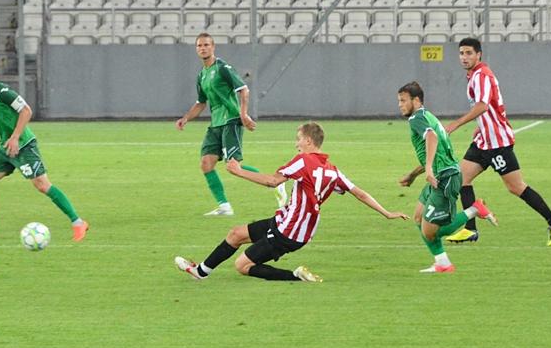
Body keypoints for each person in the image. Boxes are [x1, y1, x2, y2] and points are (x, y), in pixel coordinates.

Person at [175, 122, 408, 282]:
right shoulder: (332, 170)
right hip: (291, 225)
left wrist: (238, 171)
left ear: (308, 141)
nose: (296, 144)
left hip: (287, 232)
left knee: (242, 266)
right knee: (236, 234)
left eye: (298, 139)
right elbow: (360, 193)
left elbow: (272, 182)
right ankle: (201, 271)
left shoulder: (303, 161)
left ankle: (295, 277)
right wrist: (386, 212)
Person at [444, 38, 551, 246]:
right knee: (462, 178)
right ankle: (469, 229)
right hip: (484, 140)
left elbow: (482, 106)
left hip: (497, 143)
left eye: (469, 53)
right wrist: (480, 126)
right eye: (461, 53)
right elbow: (490, 106)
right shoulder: (475, 75)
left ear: (479, 54)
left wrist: (455, 125)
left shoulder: (481, 75)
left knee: (516, 187)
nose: (464, 57)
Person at [0, 59, 89, 241]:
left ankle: (78, 222)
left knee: (42, 185)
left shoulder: (2, 92)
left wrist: (15, 137)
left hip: (23, 144)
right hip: (6, 146)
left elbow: (26, 111)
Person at [175, 33, 287, 216]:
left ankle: (275, 183)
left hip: (231, 121)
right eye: (199, 46)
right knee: (206, 163)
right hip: (216, 124)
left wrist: (243, 115)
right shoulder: (202, 75)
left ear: (213, 47)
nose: (202, 48)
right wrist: (186, 118)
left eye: (206, 45)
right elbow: (201, 103)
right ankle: (224, 206)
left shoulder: (222, 68)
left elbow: (243, 90)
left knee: (233, 166)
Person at [397, 81, 497, 273]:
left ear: (416, 100)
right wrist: (414, 174)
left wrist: (427, 170)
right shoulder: (429, 116)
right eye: (399, 101)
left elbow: (431, 138)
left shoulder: (417, 119)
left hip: (445, 177)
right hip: (442, 174)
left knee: (431, 231)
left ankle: (474, 209)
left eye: (403, 100)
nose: (400, 105)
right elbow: (435, 152)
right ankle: (442, 263)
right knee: (418, 217)